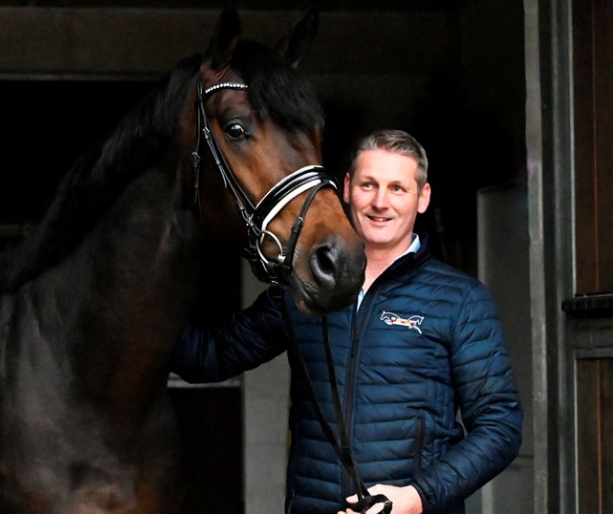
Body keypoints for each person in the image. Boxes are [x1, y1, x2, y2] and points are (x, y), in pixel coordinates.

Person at [172, 129, 523, 514]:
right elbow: (209, 356)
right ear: (347, 188)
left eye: (397, 189)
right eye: (369, 185)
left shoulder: (460, 300)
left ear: (422, 199)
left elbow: (499, 428)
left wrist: (417, 497)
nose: (379, 202)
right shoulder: (305, 287)